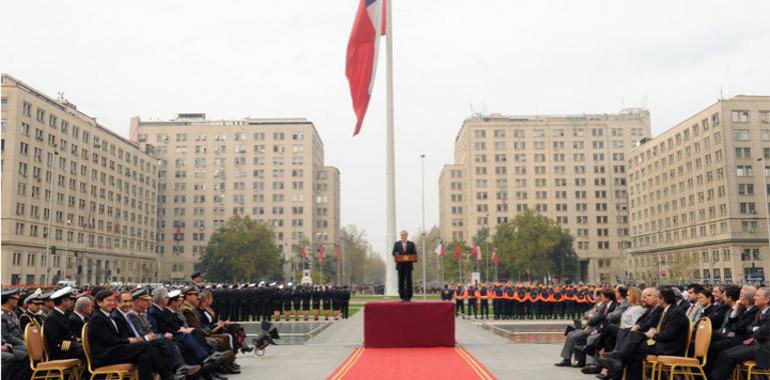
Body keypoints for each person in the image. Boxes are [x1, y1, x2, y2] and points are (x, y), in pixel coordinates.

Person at [89, 289, 182, 380]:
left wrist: (129, 340)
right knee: (147, 345)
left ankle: (168, 375)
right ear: (99, 302)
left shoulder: (107, 315)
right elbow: (107, 340)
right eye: (108, 301)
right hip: (104, 355)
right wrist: (128, 340)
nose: (112, 303)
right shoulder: (97, 318)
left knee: (145, 357)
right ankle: (168, 375)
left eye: (112, 300)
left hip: (114, 350)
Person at [710, 287, 770, 380]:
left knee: (727, 356)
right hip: (754, 343)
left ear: (767, 299)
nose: (754, 298)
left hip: (764, 348)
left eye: (758, 296)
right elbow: (748, 328)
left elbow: (761, 332)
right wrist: (755, 329)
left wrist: (754, 329)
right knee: (723, 353)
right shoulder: (759, 312)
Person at [42, 286, 85, 361]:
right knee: (90, 351)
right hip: (61, 353)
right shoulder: (52, 318)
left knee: (91, 348)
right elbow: (56, 342)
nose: (71, 302)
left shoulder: (63, 314)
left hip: (69, 349)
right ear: (63, 301)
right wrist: (75, 345)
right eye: (69, 299)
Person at [391, 230, 416, 302]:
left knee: (409, 281)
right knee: (401, 281)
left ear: (407, 235)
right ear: (400, 236)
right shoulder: (397, 244)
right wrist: (396, 254)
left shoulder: (411, 244)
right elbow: (393, 252)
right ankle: (402, 297)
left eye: (404, 235)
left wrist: (411, 256)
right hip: (400, 266)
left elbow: (414, 253)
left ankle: (409, 297)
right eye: (402, 235)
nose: (403, 236)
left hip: (408, 266)